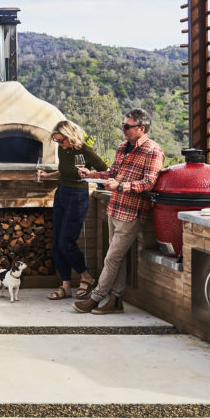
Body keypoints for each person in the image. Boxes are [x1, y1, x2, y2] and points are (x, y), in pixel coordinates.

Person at [73, 108, 165, 315]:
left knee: (111, 257)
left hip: (132, 212)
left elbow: (149, 183)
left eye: (127, 126)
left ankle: (95, 298)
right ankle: (116, 301)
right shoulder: (123, 147)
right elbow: (113, 173)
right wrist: (92, 173)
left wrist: (121, 186)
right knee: (118, 257)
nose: (123, 130)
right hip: (114, 207)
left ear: (142, 128)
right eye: (123, 126)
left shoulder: (153, 151)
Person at [38, 120, 107, 300]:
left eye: (61, 140)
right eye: (57, 141)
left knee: (66, 241)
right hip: (61, 194)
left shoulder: (85, 151)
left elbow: (105, 170)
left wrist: (91, 174)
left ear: (70, 136)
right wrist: (47, 176)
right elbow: (64, 172)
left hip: (78, 195)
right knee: (56, 242)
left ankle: (86, 277)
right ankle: (66, 286)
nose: (59, 144)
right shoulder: (63, 149)